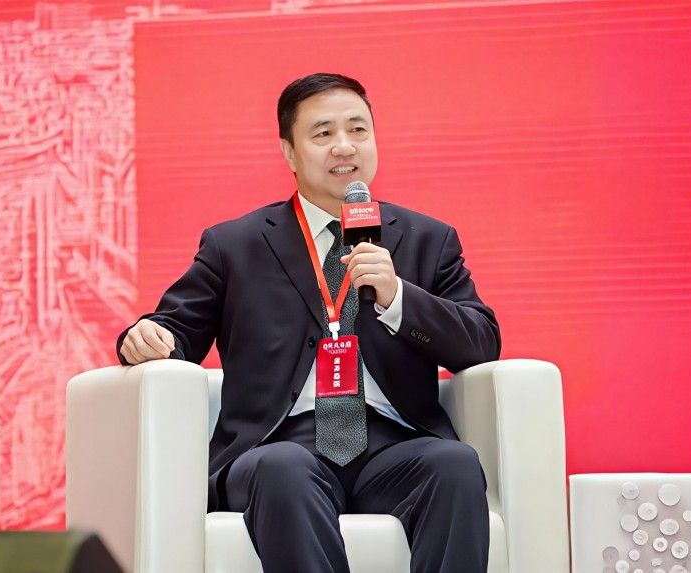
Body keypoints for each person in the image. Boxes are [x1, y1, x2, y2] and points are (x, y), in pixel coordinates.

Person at [116, 72, 500, 573]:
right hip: (277, 445)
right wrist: (146, 337)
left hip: (393, 445)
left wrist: (398, 297)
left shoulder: (428, 238)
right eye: (323, 133)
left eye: (358, 130)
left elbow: (481, 342)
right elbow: (175, 330)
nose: (344, 146)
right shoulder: (235, 245)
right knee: (285, 468)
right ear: (290, 153)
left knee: (454, 463)